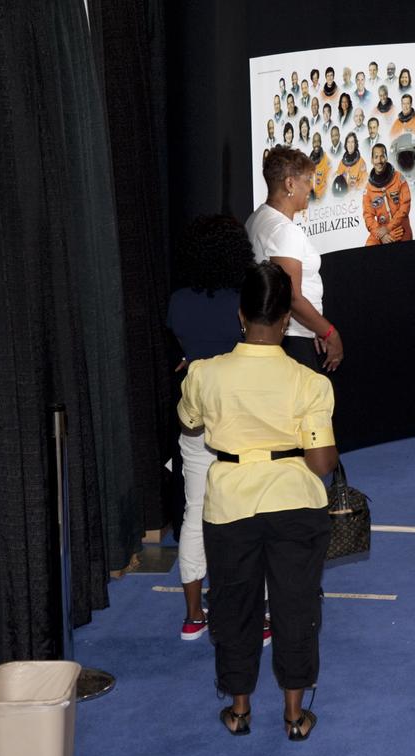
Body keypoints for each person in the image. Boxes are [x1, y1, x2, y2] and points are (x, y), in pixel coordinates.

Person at [177, 261, 337, 740]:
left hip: (229, 505)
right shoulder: (311, 383)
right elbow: (323, 463)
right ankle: (294, 715)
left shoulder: (206, 374)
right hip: (296, 504)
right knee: (295, 606)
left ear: (241, 315)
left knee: (234, 606)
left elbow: (189, 423)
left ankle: (240, 709)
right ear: (286, 318)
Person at [167, 215, 256, 640]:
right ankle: (259, 617)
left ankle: (192, 615)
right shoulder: (243, 302)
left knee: (195, 513)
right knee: (252, 515)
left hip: (195, 418)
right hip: (241, 419)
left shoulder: (178, 302)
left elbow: (189, 351)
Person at [245, 146, 343, 372]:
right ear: (290, 184)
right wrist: (330, 332)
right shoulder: (284, 230)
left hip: (287, 335)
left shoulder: (256, 219)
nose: (312, 187)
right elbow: (292, 297)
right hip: (292, 340)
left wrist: (314, 328)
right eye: (308, 180)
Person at [362, 143, 413, 245]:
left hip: (400, 226)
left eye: (382, 156)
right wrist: (381, 235)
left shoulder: (399, 179)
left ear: (386, 158)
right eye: (376, 157)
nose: (379, 161)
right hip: (380, 231)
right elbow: (368, 216)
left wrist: (389, 228)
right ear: (372, 160)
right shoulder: (368, 189)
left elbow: (405, 206)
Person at [309, 133, 330, 200]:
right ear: (312, 144)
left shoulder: (326, 160)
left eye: (318, 141)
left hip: (321, 200)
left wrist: (319, 196)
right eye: (314, 142)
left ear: (320, 143)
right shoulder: (309, 160)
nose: (316, 144)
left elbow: (328, 182)